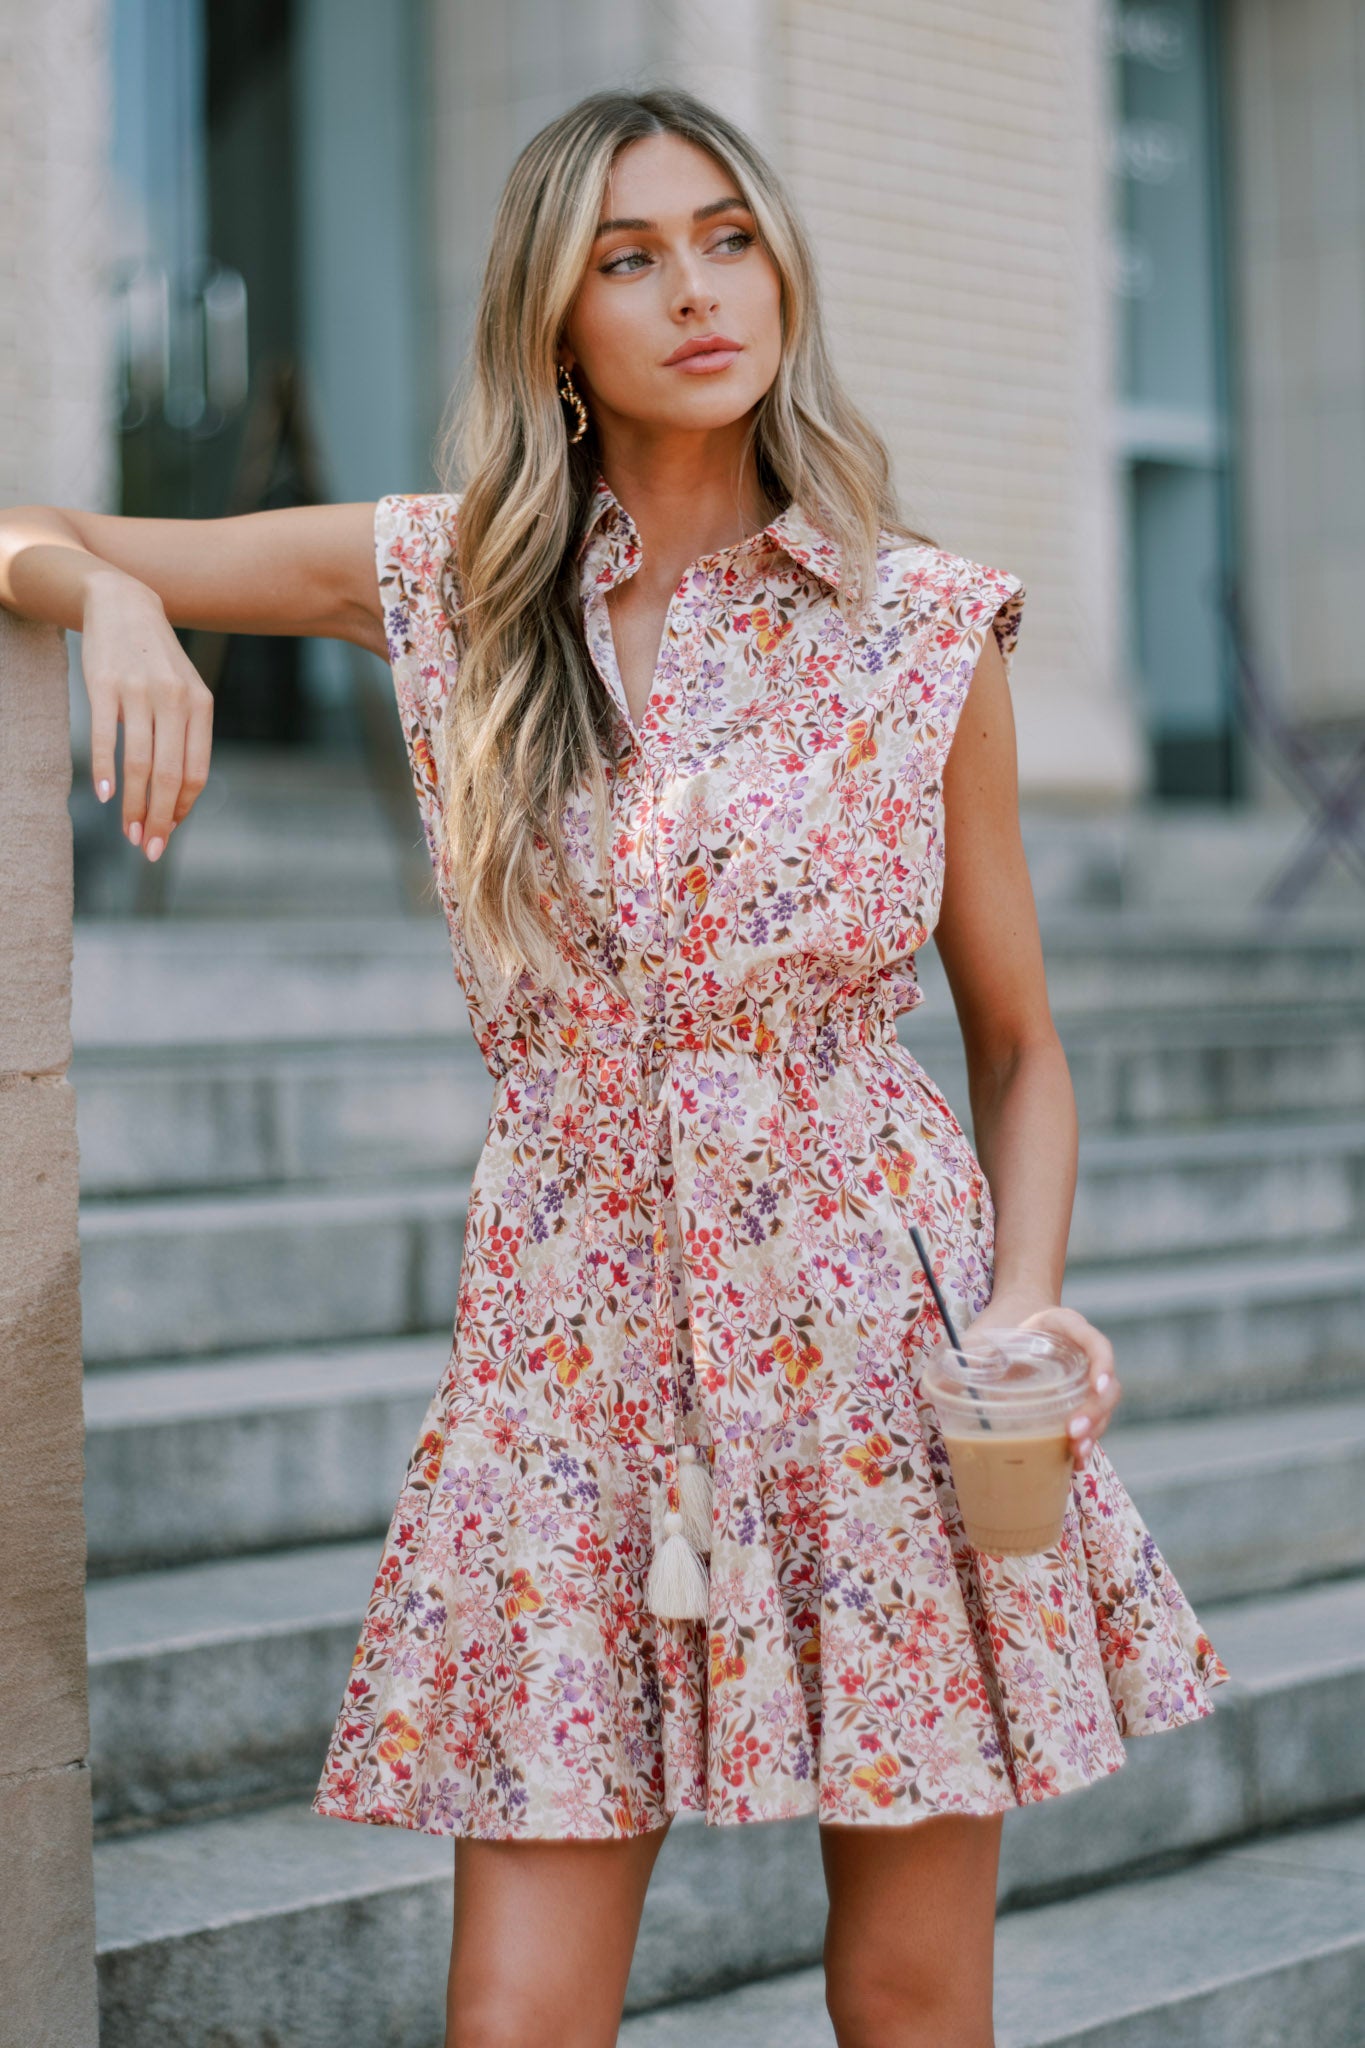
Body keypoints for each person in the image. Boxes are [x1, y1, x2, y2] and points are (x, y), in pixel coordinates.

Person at [1, 83, 1229, 2048]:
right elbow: (21, 529)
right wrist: (120, 607)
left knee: (912, 1997)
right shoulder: (450, 581)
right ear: (551, 318)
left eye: (727, 237)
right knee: (515, 2015)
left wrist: (1018, 1310)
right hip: (571, 1362)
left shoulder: (920, 626)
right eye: (627, 255)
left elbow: (1017, 1043)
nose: (693, 291)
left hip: (879, 1357)